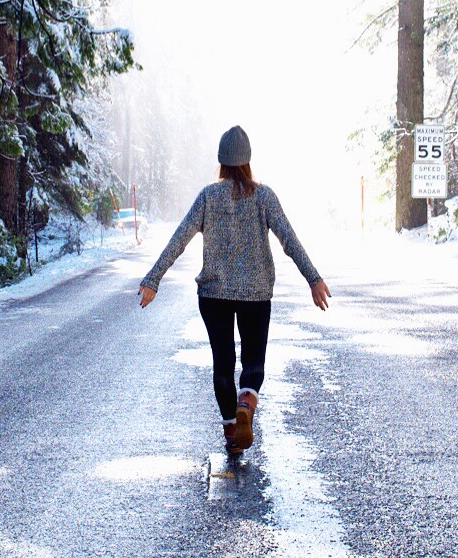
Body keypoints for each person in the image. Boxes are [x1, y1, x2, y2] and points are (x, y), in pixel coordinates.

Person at [137, 125, 331, 454]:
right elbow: (289, 240)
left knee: (223, 363)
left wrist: (153, 279)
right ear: (248, 159)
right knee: (253, 362)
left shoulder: (208, 197)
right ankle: (247, 402)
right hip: (256, 294)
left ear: (222, 161)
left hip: (214, 296)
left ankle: (231, 431)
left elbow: (180, 239)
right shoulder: (264, 196)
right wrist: (314, 279)